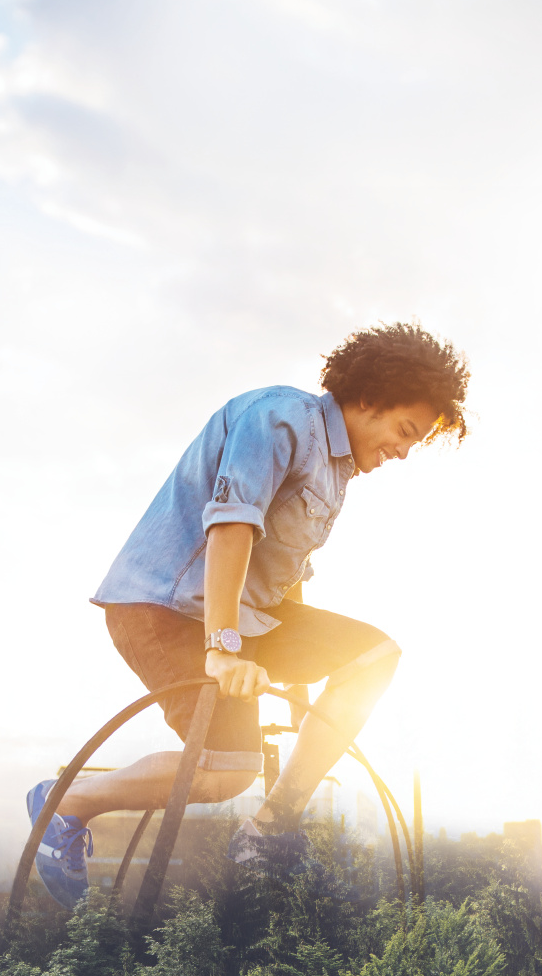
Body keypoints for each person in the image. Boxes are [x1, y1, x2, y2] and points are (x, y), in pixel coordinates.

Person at [26, 322, 470, 907]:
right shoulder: (279, 419)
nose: (404, 451)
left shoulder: (336, 470)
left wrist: (302, 671)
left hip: (246, 619)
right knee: (222, 771)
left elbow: (287, 573)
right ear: (369, 399)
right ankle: (64, 802)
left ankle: (268, 832)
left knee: (372, 657)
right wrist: (224, 645)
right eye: (404, 430)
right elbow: (232, 527)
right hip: (169, 608)